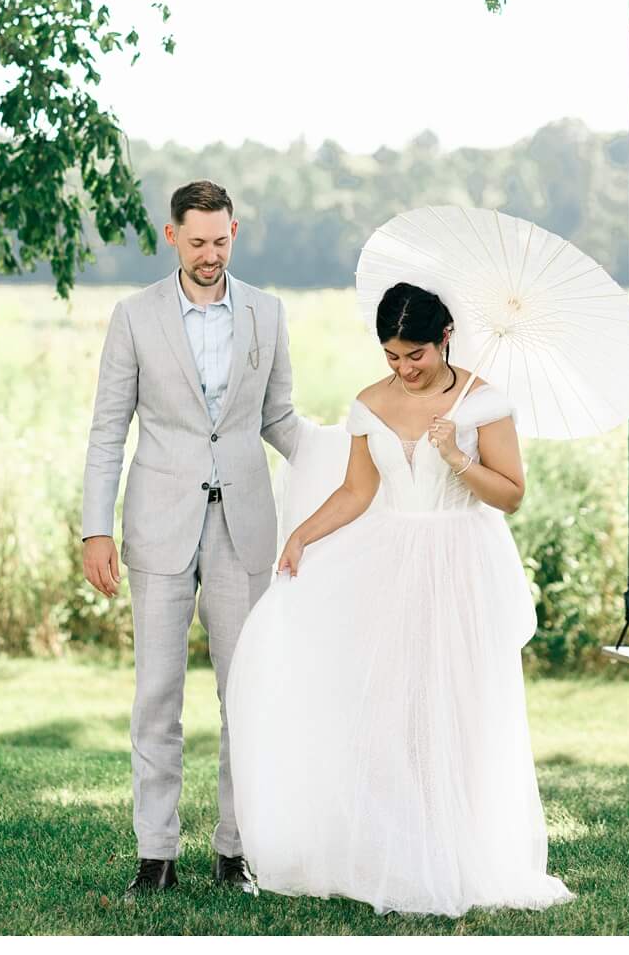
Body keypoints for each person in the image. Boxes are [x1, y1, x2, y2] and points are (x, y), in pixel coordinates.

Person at [224, 281, 570, 916]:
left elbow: (512, 494)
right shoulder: (370, 403)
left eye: (416, 355)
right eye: (392, 356)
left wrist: (454, 457)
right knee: (392, 706)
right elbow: (357, 492)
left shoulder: (483, 402)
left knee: (457, 704)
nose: (405, 369)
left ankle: (461, 846)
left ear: (445, 339)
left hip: (460, 560)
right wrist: (302, 534)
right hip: (390, 561)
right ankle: (399, 844)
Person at [80, 179, 303, 900]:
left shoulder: (268, 314)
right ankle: (157, 852)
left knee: (247, 694)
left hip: (244, 525)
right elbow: (108, 428)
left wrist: (353, 452)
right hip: (157, 523)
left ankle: (235, 849)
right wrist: (95, 527)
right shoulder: (134, 316)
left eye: (222, 240)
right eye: (197, 241)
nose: (211, 255)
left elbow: (280, 419)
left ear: (236, 231)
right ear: (172, 235)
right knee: (157, 694)